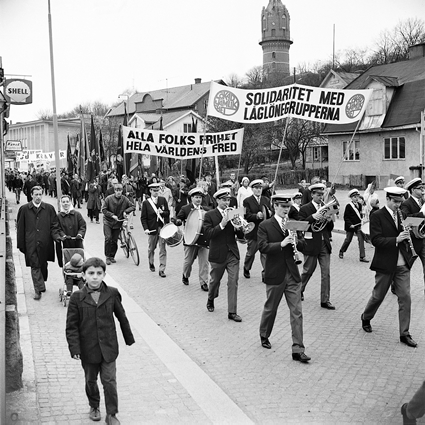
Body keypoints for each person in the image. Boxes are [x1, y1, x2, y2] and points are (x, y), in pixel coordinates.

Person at [66, 257, 135, 425]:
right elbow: (71, 326)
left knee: (110, 381)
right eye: (91, 273)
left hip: (109, 348)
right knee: (91, 380)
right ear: (83, 275)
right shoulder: (76, 297)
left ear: (104, 274)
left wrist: (128, 338)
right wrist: (74, 348)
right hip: (88, 349)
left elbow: (121, 316)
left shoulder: (112, 293)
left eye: (99, 273)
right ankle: (94, 405)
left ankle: (112, 413)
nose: (95, 277)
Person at [361, 187, 418, 347]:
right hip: (385, 263)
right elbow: (376, 240)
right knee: (378, 296)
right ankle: (366, 316)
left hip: (402, 264)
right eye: (395, 202)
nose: (398, 205)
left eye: (400, 202)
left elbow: (407, 234)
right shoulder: (377, 215)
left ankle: (404, 334)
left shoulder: (402, 214)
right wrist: (396, 239)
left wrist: (410, 235)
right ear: (388, 199)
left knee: (405, 297)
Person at [257, 194, 311, 362]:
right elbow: (262, 247)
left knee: (297, 312)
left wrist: (296, 239)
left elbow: (304, 246)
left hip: (292, 274)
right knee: (271, 308)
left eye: (288, 207)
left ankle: (298, 349)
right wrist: (281, 244)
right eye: (283, 207)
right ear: (275, 206)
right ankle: (264, 334)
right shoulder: (265, 225)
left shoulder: (291, 224)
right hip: (275, 272)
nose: (286, 210)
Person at [203, 188, 245, 322]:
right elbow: (208, 234)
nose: (227, 202)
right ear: (217, 200)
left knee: (233, 282)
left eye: (228, 200)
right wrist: (222, 224)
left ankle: (232, 312)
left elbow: (240, 236)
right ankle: (211, 298)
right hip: (218, 253)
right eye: (224, 200)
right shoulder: (210, 215)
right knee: (215, 281)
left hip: (232, 253)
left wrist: (240, 229)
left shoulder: (233, 213)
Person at [16, 185, 62, 300]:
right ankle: (38, 290)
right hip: (30, 243)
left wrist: (57, 237)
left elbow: (54, 225)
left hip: (45, 242)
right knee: (34, 265)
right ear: (31, 195)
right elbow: (20, 228)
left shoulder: (49, 209)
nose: (38, 197)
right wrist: (21, 244)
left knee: (43, 264)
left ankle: (41, 283)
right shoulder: (24, 209)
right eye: (35, 194)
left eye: (40, 194)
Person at [298, 183, 335, 309]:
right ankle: (299, 290)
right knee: (308, 270)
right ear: (312, 195)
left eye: (322, 195)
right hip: (311, 243)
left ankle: (325, 299)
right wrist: (313, 217)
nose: (320, 197)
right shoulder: (304, 208)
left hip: (324, 243)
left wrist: (330, 220)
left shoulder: (326, 207)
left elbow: (330, 228)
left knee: (326, 273)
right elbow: (301, 225)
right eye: (318, 195)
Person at [176, 187, 209, 291]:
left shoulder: (206, 210)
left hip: (203, 239)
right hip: (190, 239)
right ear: (191, 198)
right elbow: (178, 218)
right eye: (196, 197)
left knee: (204, 262)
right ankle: (185, 275)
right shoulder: (185, 208)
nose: (198, 199)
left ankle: (204, 282)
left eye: (200, 197)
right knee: (188, 262)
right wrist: (178, 221)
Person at [242, 179, 272, 279]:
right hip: (253, 231)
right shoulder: (247, 201)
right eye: (256, 188)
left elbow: (270, 212)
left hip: (264, 232)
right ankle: (246, 268)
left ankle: (265, 274)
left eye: (260, 188)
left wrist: (270, 213)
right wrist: (256, 216)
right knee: (250, 253)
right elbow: (246, 215)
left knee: (265, 254)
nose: (258, 190)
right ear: (252, 189)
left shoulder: (266, 200)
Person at [102, 182, 135, 265]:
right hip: (108, 222)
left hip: (118, 222)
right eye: (117, 190)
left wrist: (125, 211)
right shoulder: (108, 199)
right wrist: (112, 215)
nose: (118, 192)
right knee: (108, 238)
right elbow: (104, 210)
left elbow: (133, 206)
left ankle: (112, 256)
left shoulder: (125, 199)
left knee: (114, 240)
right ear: (114, 191)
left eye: (120, 190)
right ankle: (107, 257)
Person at [141, 182, 170, 277]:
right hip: (152, 228)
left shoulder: (163, 200)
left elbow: (168, 213)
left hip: (162, 228)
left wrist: (163, 213)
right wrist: (146, 228)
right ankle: (151, 262)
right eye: (154, 191)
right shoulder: (146, 203)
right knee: (151, 248)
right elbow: (143, 218)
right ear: (150, 191)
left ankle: (162, 269)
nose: (156, 192)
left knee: (162, 249)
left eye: (157, 190)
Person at [401, 178, 425, 292]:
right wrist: (422, 214)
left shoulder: (423, 202)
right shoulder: (406, 203)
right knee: (406, 267)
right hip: (413, 241)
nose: (423, 191)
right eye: (420, 189)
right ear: (412, 190)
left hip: (423, 239)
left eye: (423, 188)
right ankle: (395, 285)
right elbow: (406, 221)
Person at [56, 194, 86, 268]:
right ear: (61, 203)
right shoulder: (58, 216)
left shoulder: (77, 214)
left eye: (67, 201)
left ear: (70, 202)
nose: (65, 204)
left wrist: (80, 234)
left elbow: (82, 226)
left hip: (77, 242)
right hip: (65, 243)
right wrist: (63, 236)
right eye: (63, 202)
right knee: (65, 262)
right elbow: (57, 228)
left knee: (79, 261)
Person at [338, 189, 369, 263]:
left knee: (361, 240)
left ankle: (362, 256)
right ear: (351, 198)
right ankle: (342, 251)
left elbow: (360, 215)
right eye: (354, 197)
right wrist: (350, 224)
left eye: (357, 197)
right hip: (351, 226)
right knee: (348, 240)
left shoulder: (360, 205)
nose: (356, 198)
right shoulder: (348, 206)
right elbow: (346, 217)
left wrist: (363, 219)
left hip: (358, 226)